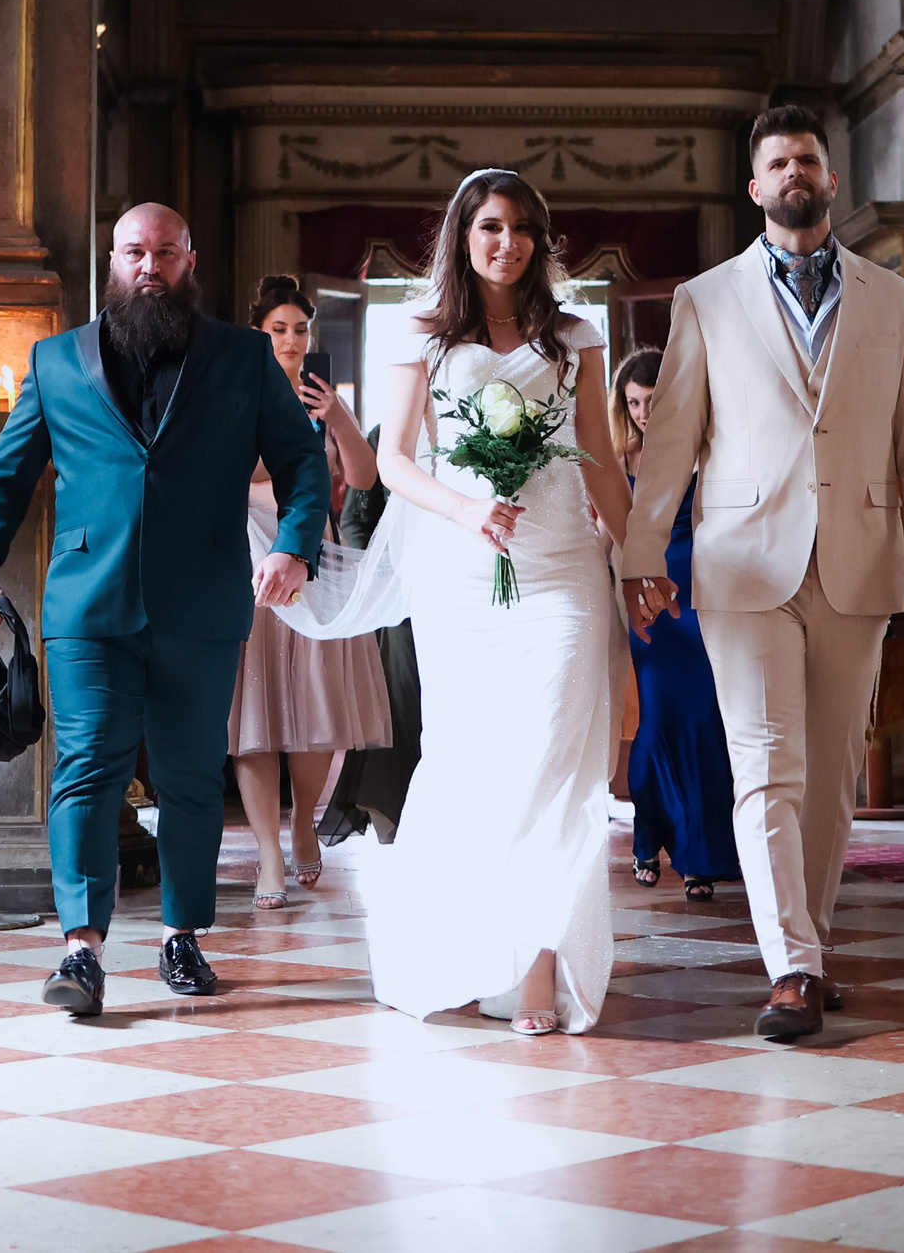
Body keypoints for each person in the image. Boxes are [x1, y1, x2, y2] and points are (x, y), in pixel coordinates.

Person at [621, 105, 904, 1040]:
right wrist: (642, 552)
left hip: (859, 557)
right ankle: (792, 967)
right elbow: (675, 439)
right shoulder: (707, 297)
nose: (794, 173)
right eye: (777, 162)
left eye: (807, 158)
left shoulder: (891, 297)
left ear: (830, 178)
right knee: (765, 762)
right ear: (756, 187)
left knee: (832, 772)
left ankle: (806, 943)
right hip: (741, 564)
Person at [0, 203, 328, 1016]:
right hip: (88, 602)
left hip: (203, 598)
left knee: (192, 776)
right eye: (135, 252)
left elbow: (302, 459)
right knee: (87, 765)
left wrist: (295, 546)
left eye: (165, 252)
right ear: (113, 261)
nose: (149, 265)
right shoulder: (56, 361)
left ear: (189, 260)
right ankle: (80, 950)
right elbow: (5, 475)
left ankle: (181, 935)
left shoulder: (243, 356)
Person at [364, 169, 633, 1037]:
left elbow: (600, 457)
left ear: (540, 240)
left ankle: (537, 967)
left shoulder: (574, 335)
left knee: (554, 763)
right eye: (489, 225)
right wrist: (468, 507)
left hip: (560, 567)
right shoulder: (422, 335)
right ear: (462, 235)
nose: (505, 241)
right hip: (462, 577)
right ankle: (470, 946)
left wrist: (641, 560)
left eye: (521, 227)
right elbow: (394, 462)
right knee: (474, 764)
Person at [231, 276, 388, 909]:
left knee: (314, 708)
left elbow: (364, 477)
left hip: (311, 557)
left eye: (301, 329)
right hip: (245, 555)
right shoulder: (232, 392)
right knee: (254, 713)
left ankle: (303, 827)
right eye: (280, 329)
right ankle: (269, 853)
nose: (293, 341)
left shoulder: (321, 397)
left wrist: (339, 418)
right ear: (257, 334)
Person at [611, 347, 740, 903]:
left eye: (653, 400)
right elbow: (608, 534)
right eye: (633, 402)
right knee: (656, 722)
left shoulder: (707, 452)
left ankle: (696, 858)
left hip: (701, 597)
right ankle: (648, 838)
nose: (643, 412)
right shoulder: (616, 463)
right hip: (647, 602)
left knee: (704, 725)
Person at [314, 423, 421, 845]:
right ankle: (398, 806)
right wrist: (377, 576)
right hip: (398, 587)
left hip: (467, 580)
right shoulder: (384, 432)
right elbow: (358, 517)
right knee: (403, 686)